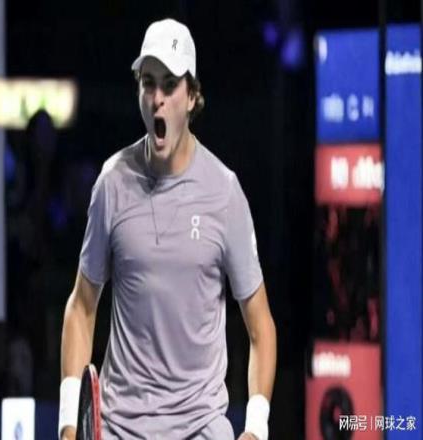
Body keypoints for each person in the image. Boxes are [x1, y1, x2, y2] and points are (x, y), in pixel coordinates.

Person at [59, 18, 276, 440]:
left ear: (192, 97)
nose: (157, 98)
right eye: (148, 83)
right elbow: (82, 307)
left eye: (170, 85)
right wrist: (69, 423)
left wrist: (256, 428)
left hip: (201, 427)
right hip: (120, 426)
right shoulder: (112, 183)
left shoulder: (224, 193)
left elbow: (261, 327)